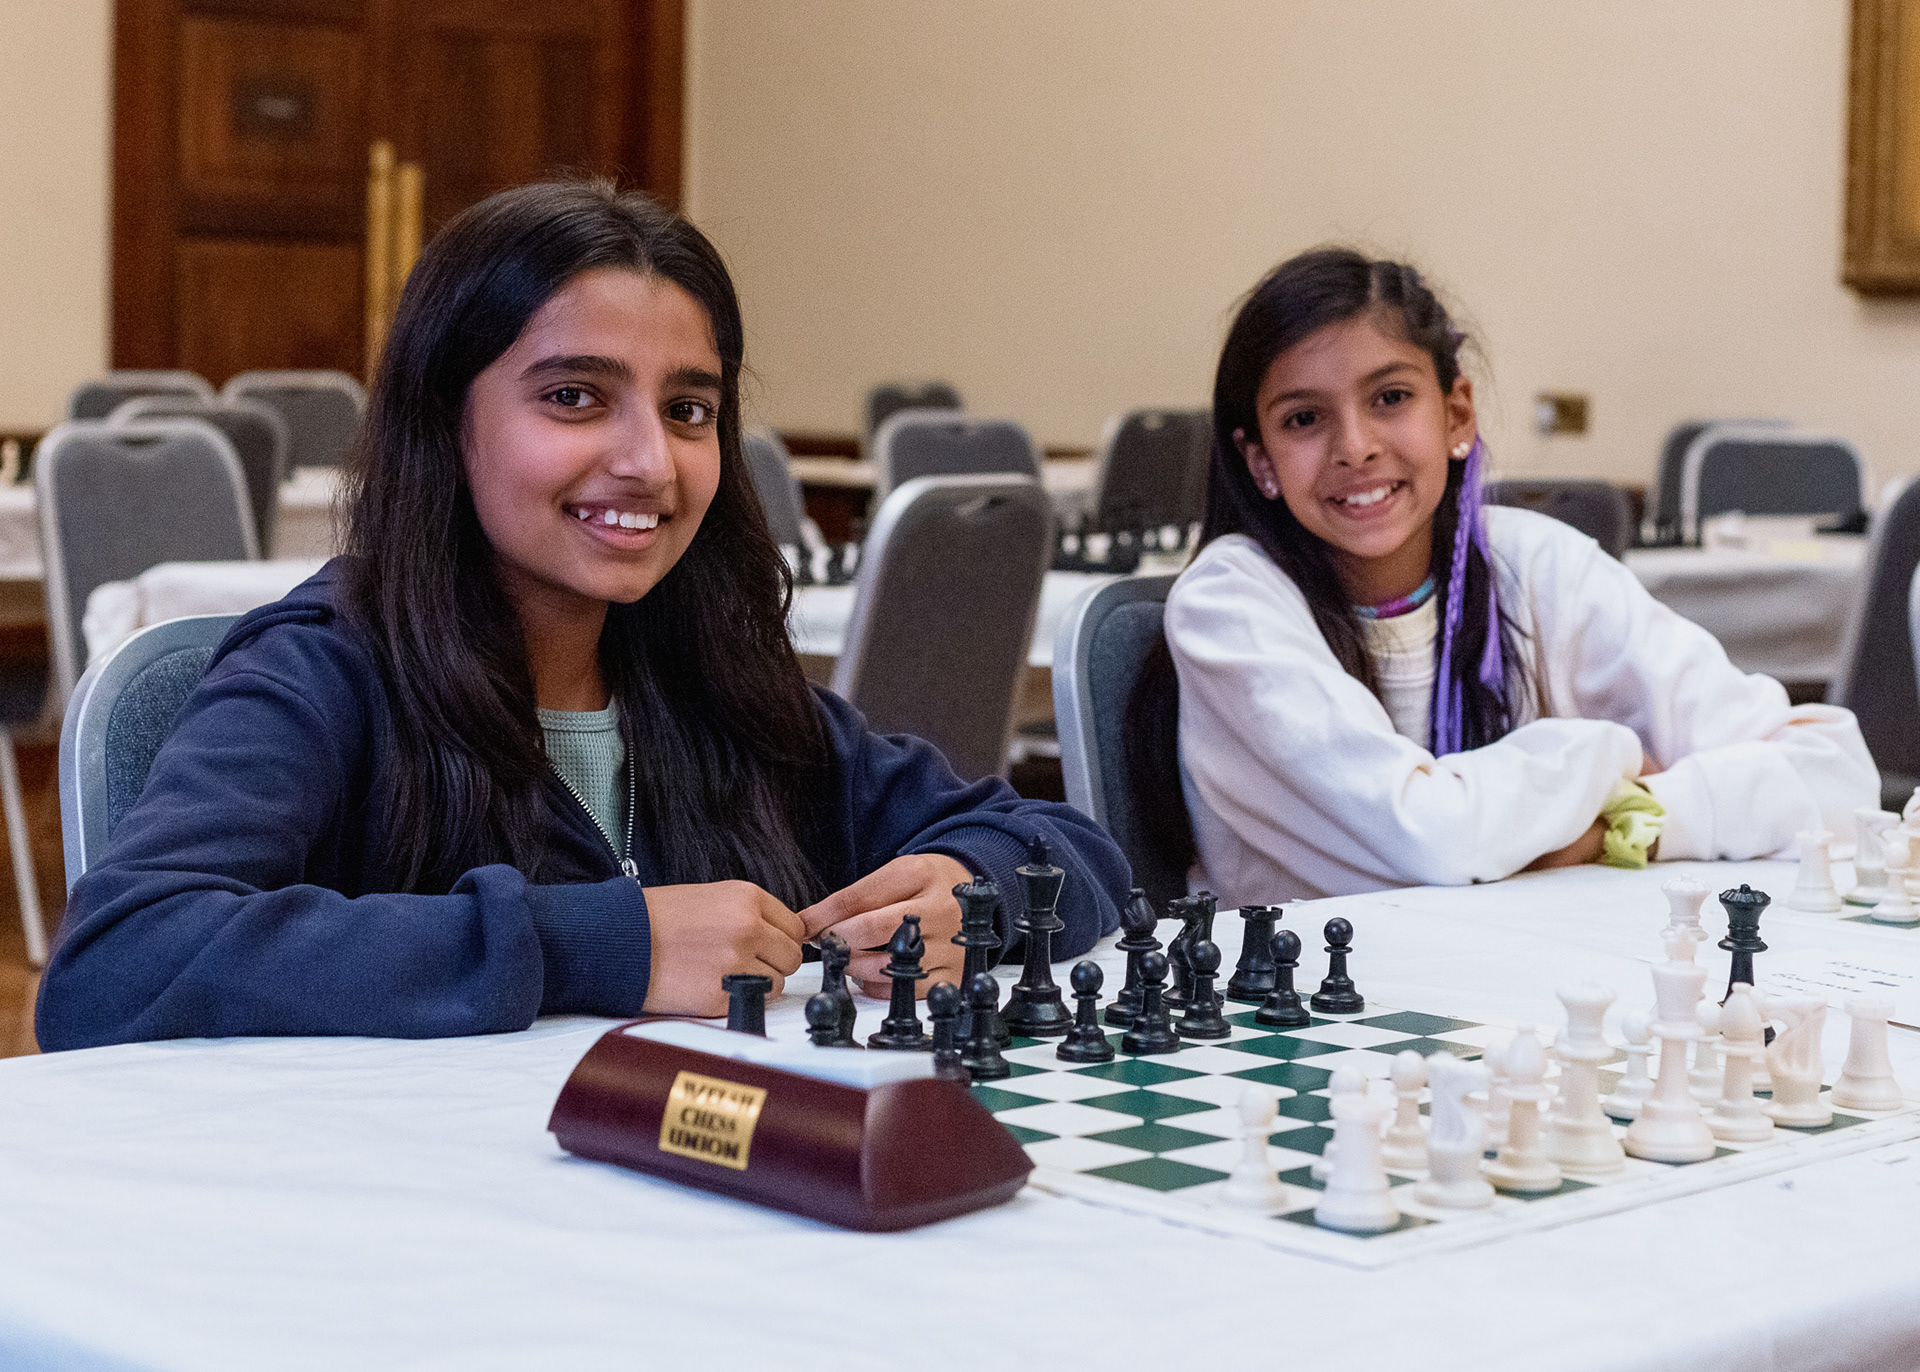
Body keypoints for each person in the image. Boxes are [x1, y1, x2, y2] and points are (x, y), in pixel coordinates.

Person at [36, 181, 1127, 1049]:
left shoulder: (716, 686)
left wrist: (975, 889)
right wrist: (599, 943)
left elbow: (1073, 848)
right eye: (574, 397)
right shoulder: (322, 672)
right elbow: (119, 963)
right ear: (445, 418)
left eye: (688, 409)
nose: (650, 460)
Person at [1128, 248, 1876, 904]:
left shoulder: (1540, 564)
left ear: (1457, 415)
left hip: (1520, 979)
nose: (1354, 446)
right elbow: (1433, 840)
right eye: (1303, 419)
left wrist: (1638, 820)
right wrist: (1607, 754)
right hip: (1315, 1006)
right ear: (1259, 461)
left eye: (1390, 399)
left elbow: (1837, 778)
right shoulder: (1230, 604)